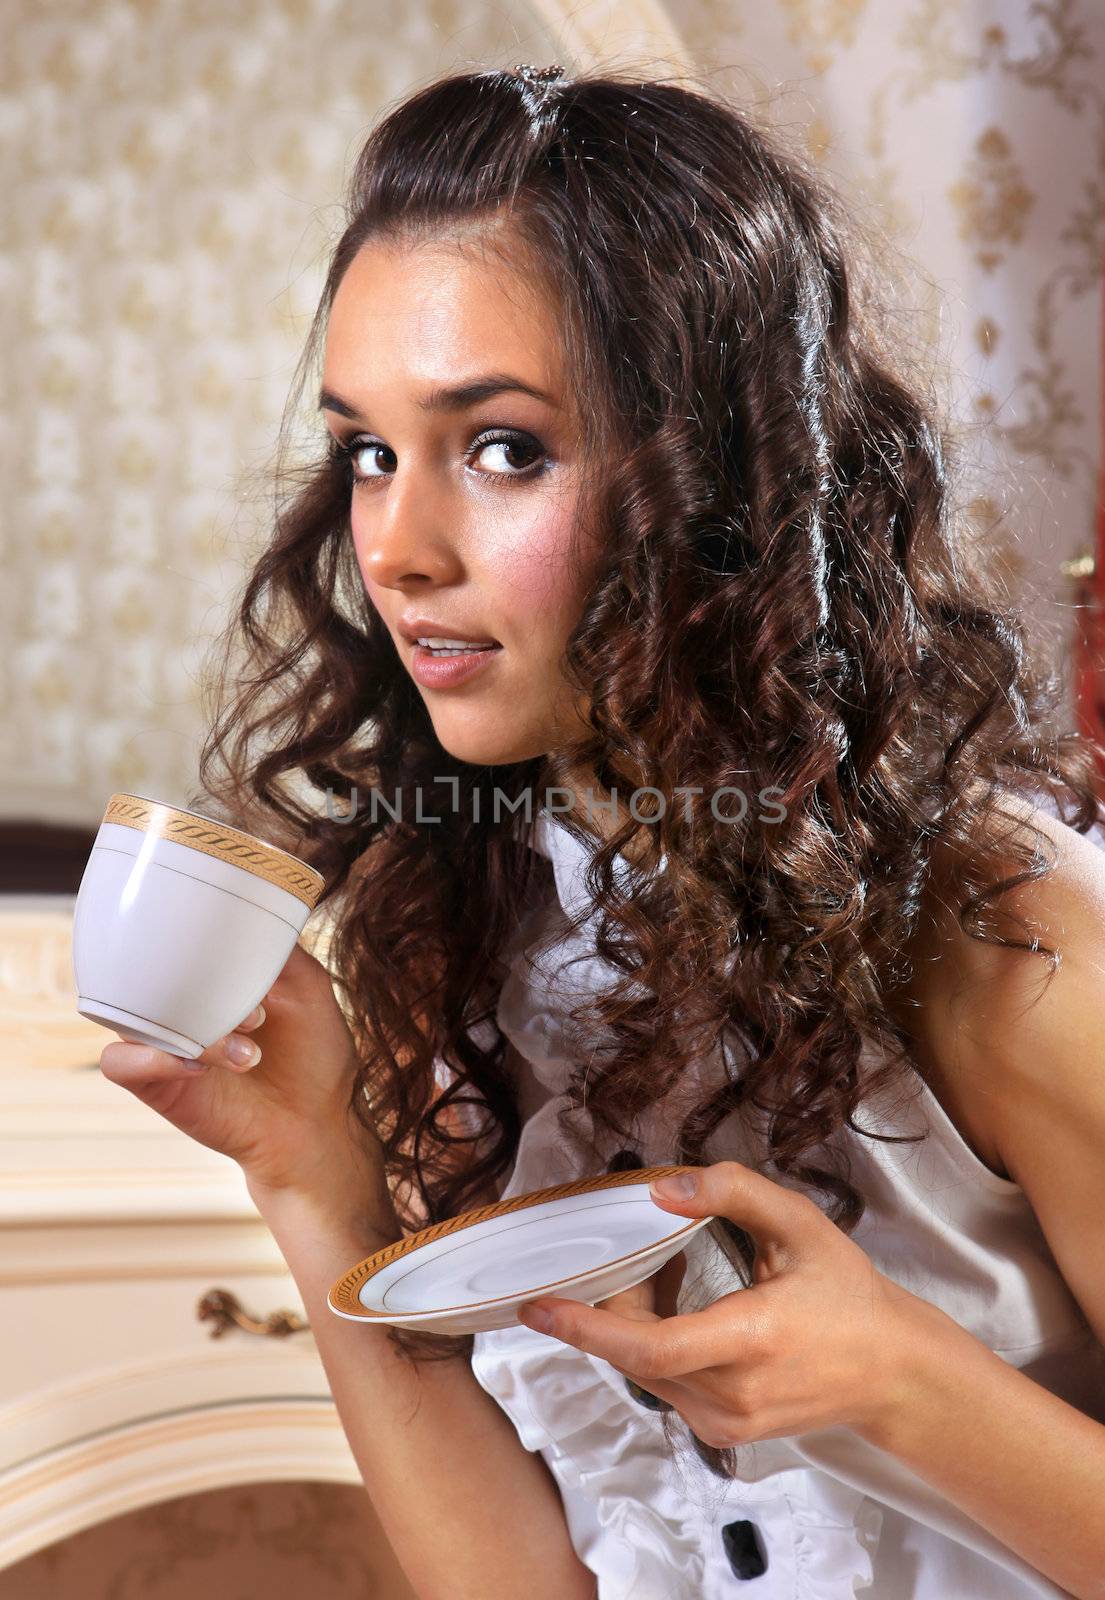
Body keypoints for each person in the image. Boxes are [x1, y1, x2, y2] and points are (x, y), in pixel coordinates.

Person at [97, 63, 1105, 1599]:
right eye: (367, 448)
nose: (396, 548)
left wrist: (904, 1383)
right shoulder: (462, 917)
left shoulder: (998, 922)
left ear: (714, 474)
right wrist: (309, 1183)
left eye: (501, 448)